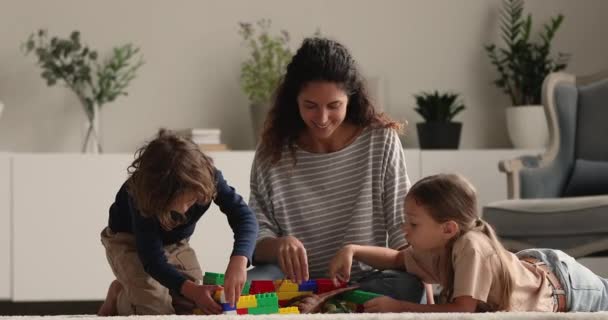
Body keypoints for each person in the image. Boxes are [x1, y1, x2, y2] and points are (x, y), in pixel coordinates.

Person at [247, 37, 425, 303]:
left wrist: (423, 281)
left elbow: (403, 229)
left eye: (333, 106)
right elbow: (256, 238)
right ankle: (331, 305)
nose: (321, 118)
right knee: (244, 285)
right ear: (294, 99)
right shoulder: (272, 150)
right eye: (310, 106)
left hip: (365, 279)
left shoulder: (380, 141)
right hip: (293, 283)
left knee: (408, 287)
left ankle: (319, 304)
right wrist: (279, 245)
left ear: (350, 99)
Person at [329, 173, 608, 312]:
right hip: (533, 264)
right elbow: (395, 259)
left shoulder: (470, 245)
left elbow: (462, 312)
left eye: (413, 223)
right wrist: (352, 250)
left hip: (565, 285)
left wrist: (399, 306)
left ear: (448, 228)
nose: (405, 229)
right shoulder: (434, 246)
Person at [97, 130, 258, 316]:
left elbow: (244, 217)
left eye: (190, 202)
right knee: (156, 309)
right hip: (131, 242)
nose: (183, 210)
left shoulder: (208, 178)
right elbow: (152, 259)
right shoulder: (140, 193)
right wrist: (190, 289)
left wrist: (239, 260)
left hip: (176, 242)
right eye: (173, 205)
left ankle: (137, 289)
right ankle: (120, 296)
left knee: (189, 305)